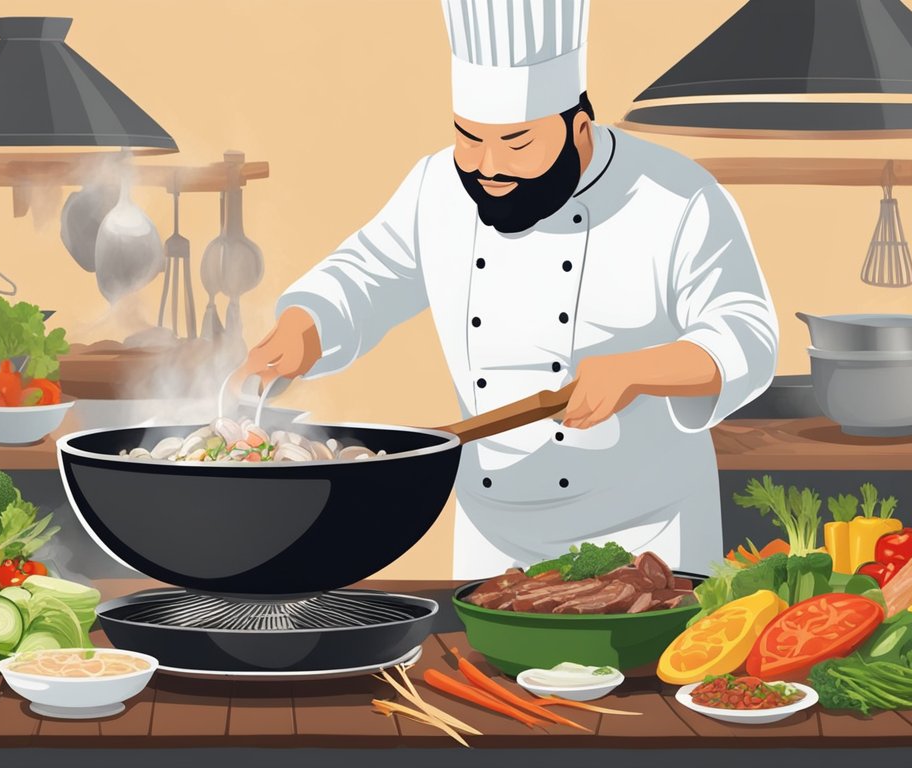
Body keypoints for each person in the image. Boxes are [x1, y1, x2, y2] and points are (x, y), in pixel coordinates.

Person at [231, 0, 779, 577]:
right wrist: (306, 328)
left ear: (580, 129)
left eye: (517, 144)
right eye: (469, 138)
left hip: (646, 536)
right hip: (496, 538)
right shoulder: (436, 187)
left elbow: (747, 336)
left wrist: (638, 369)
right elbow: (365, 274)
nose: (487, 166)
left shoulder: (676, 194)